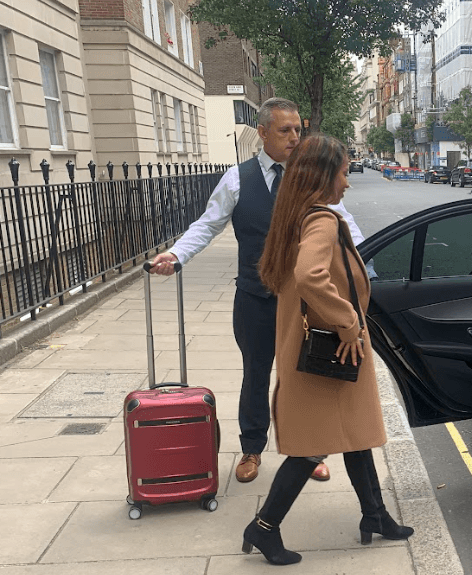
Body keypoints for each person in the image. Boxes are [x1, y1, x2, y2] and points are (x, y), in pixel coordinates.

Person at [147, 98, 360, 484]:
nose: (295, 137)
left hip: (303, 301)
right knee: (256, 374)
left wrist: (368, 267)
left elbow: (344, 224)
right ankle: (251, 449)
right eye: (285, 130)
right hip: (254, 299)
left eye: (298, 130)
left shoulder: (311, 176)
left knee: (305, 376)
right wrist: (177, 254)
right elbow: (207, 224)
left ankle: (309, 453)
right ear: (262, 132)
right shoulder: (236, 178)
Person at [241, 133, 412, 565]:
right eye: (342, 173)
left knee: (354, 433)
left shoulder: (293, 214)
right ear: (323, 176)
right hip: (333, 348)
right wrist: (348, 322)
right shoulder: (322, 219)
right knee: (312, 447)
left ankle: (374, 514)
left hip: (314, 348)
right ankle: (263, 527)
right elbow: (310, 275)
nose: (347, 182)